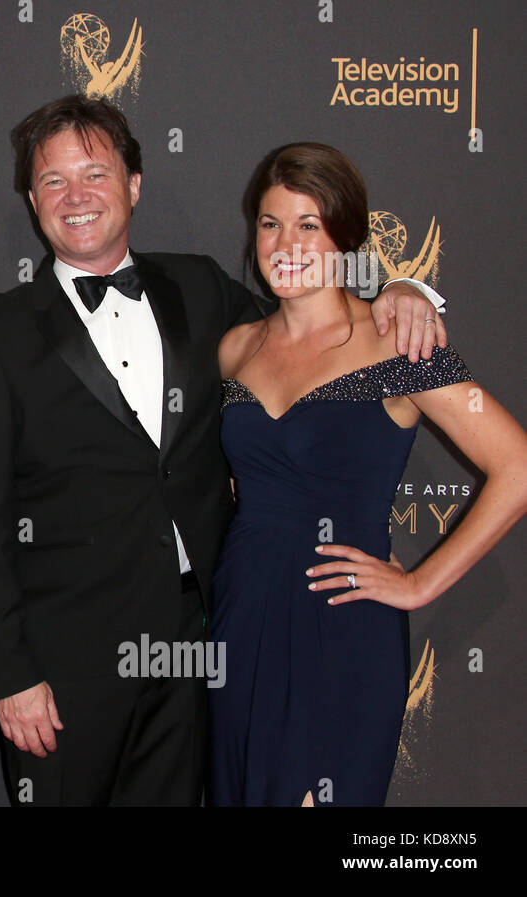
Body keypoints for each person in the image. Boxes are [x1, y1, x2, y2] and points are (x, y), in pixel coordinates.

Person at [0, 95, 447, 806]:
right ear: (31, 197)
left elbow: (311, 324)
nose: (76, 196)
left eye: (95, 172)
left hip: (201, 649)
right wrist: (10, 676)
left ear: (134, 184)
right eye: (54, 180)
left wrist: (404, 288)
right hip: (60, 671)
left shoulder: (201, 289)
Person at [208, 143, 527, 806]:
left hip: (343, 625)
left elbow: (517, 467)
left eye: (308, 225)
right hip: (242, 618)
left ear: (346, 237)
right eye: (270, 223)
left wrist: (417, 583)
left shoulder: (398, 343)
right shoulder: (236, 348)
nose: (285, 242)